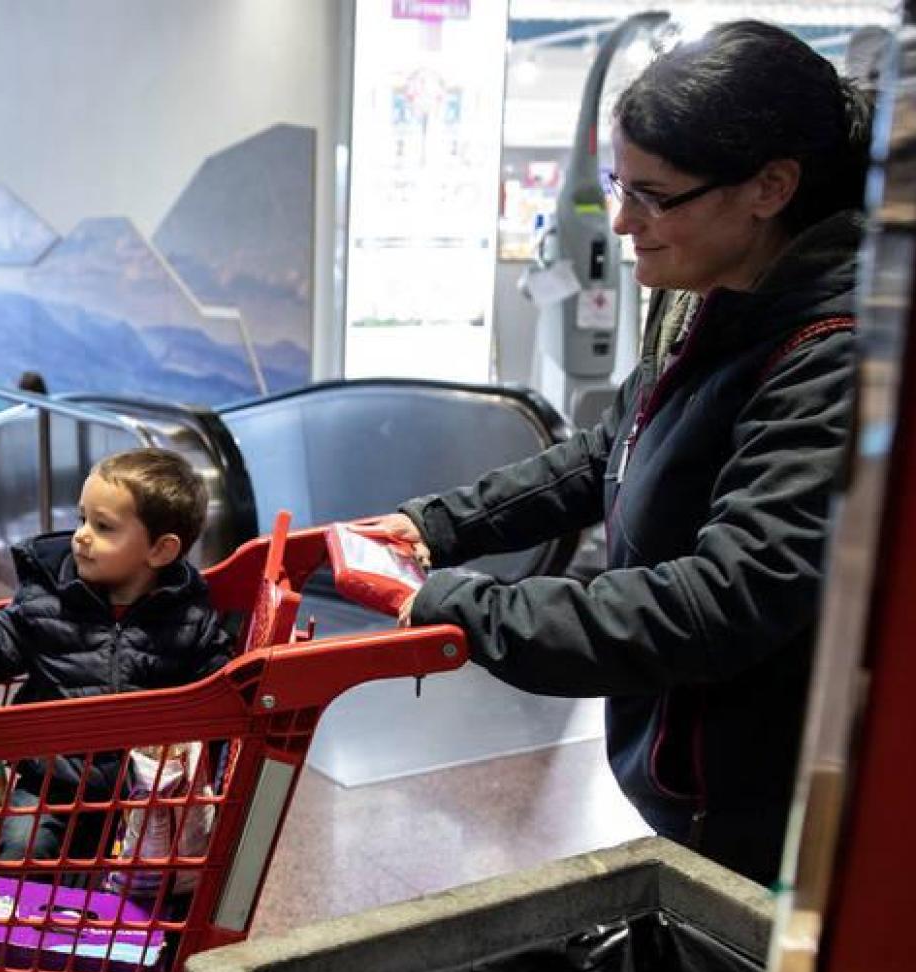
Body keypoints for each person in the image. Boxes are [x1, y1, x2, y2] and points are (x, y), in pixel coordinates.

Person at [374, 21, 872, 887]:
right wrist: (435, 528)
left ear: (769, 186)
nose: (623, 220)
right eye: (619, 184)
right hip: (683, 774)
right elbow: (618, 445)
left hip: (758, 814)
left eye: (654, 194)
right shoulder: (708, 293)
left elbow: (726, 599)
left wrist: (470, 610)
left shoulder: (830, 358)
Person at [0, 447, 231, 864]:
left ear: (160, 551)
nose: (82, 536)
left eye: (104, 527)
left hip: (143, 797)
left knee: (163, 875)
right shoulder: (48, 597)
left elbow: (220, 692)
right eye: (82, 518)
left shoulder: (189, 619)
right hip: (50, 784)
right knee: (22, 852)